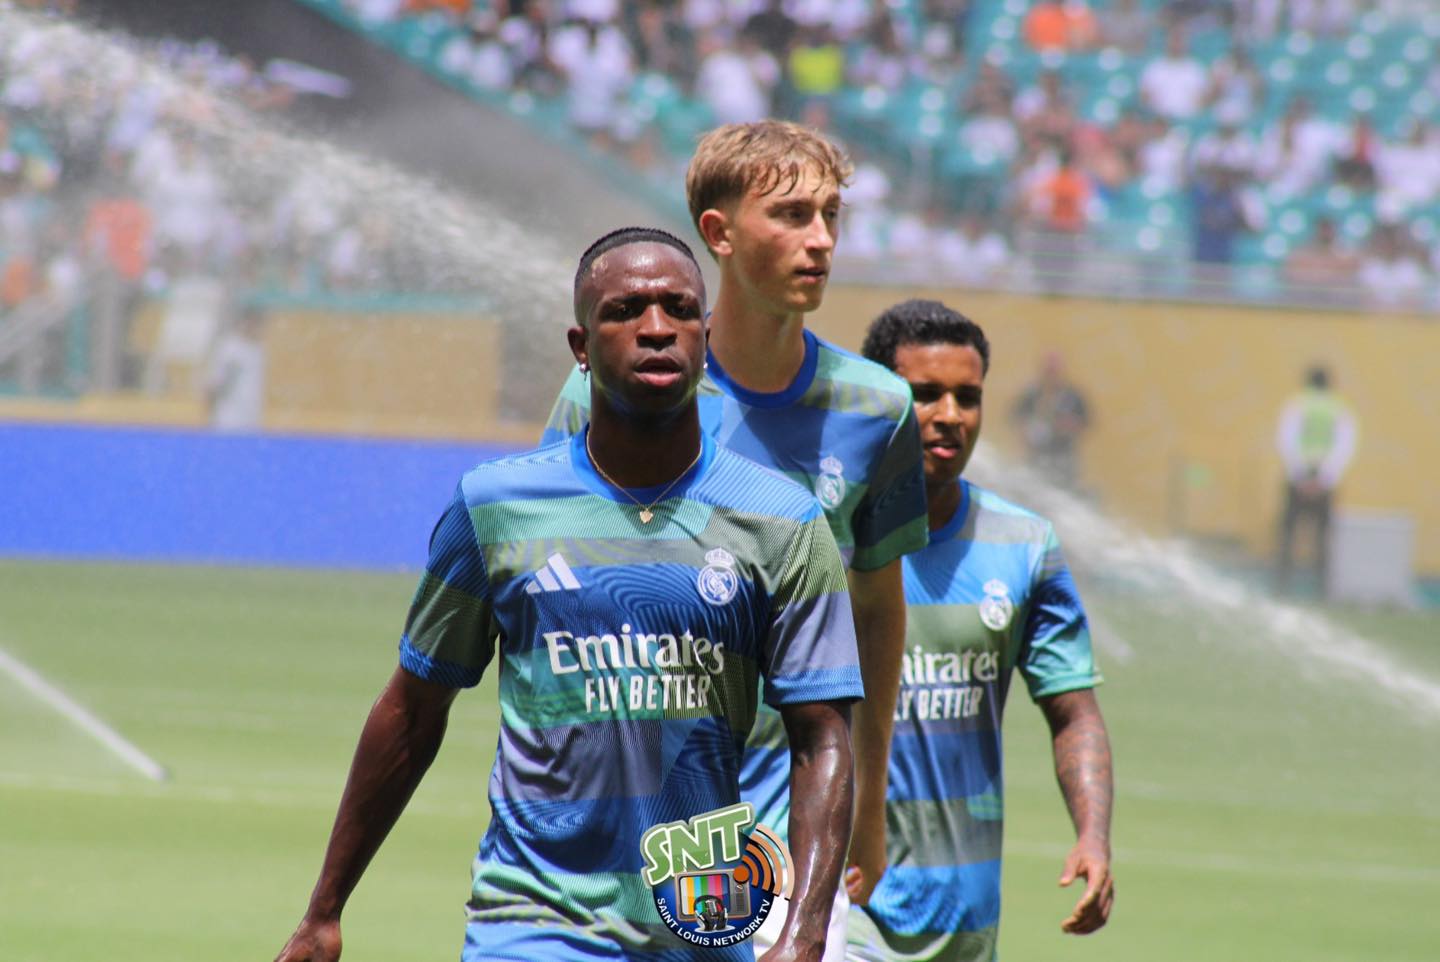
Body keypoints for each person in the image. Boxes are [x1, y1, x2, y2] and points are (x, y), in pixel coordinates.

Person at [274, 227, 863, 962]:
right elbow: (412, 710)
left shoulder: (784, 520)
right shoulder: (494, 507)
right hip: (532, 922)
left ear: (706, 337)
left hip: (700, 927)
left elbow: (823, 737)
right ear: (581, 346)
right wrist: (324, 910)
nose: (657, 328)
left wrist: (804, 934)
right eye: (626, 310)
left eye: (680, 309)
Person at [542, 121, 929, 958]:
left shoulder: (876, 410)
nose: (820, 239)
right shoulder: (609, 392)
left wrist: (866, 807)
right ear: (718, 233)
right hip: (625, 813)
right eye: (791, 214)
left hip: (786, 819)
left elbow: (876, 615)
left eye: (830, 215)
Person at [848, 298, 1115, 962]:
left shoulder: (1024, 546)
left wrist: (1093, 836)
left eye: (967, 397)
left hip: (967, 918)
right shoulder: (825, 539)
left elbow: (1074, 711)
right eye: (925, 394)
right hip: (845, 908)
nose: (950, 415)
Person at [1274, 364, 1359, 595]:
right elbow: (1345, 446)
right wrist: (1325, 478)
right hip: (1325, 481)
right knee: (1323, 538)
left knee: (1288, 534)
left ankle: (1282, 586)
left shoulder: (1298, 405)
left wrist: (1300, 476)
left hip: (1298, 478)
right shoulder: (1338, 408)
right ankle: (1323, 589)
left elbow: (1286, 440)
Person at [1010, 351, 1090, 490]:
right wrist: (1024, 430)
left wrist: (1068, 425)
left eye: (1054, 370)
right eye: (1048, 370)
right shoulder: (1031, 394)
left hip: (1063, 456)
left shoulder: (1072, 396)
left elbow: (1086, 422)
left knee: (1063, 488)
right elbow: (1014, 416)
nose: (1051, 374)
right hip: (1035, 455)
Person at [204, 303, 266, 431]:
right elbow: (216, 383)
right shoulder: (230, 348)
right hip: (228, 419)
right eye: (251, 323)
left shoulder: (258, 350)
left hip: (251, 419)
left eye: (257, 324)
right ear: (242, 322)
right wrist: (210, 410)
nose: (254, 328)